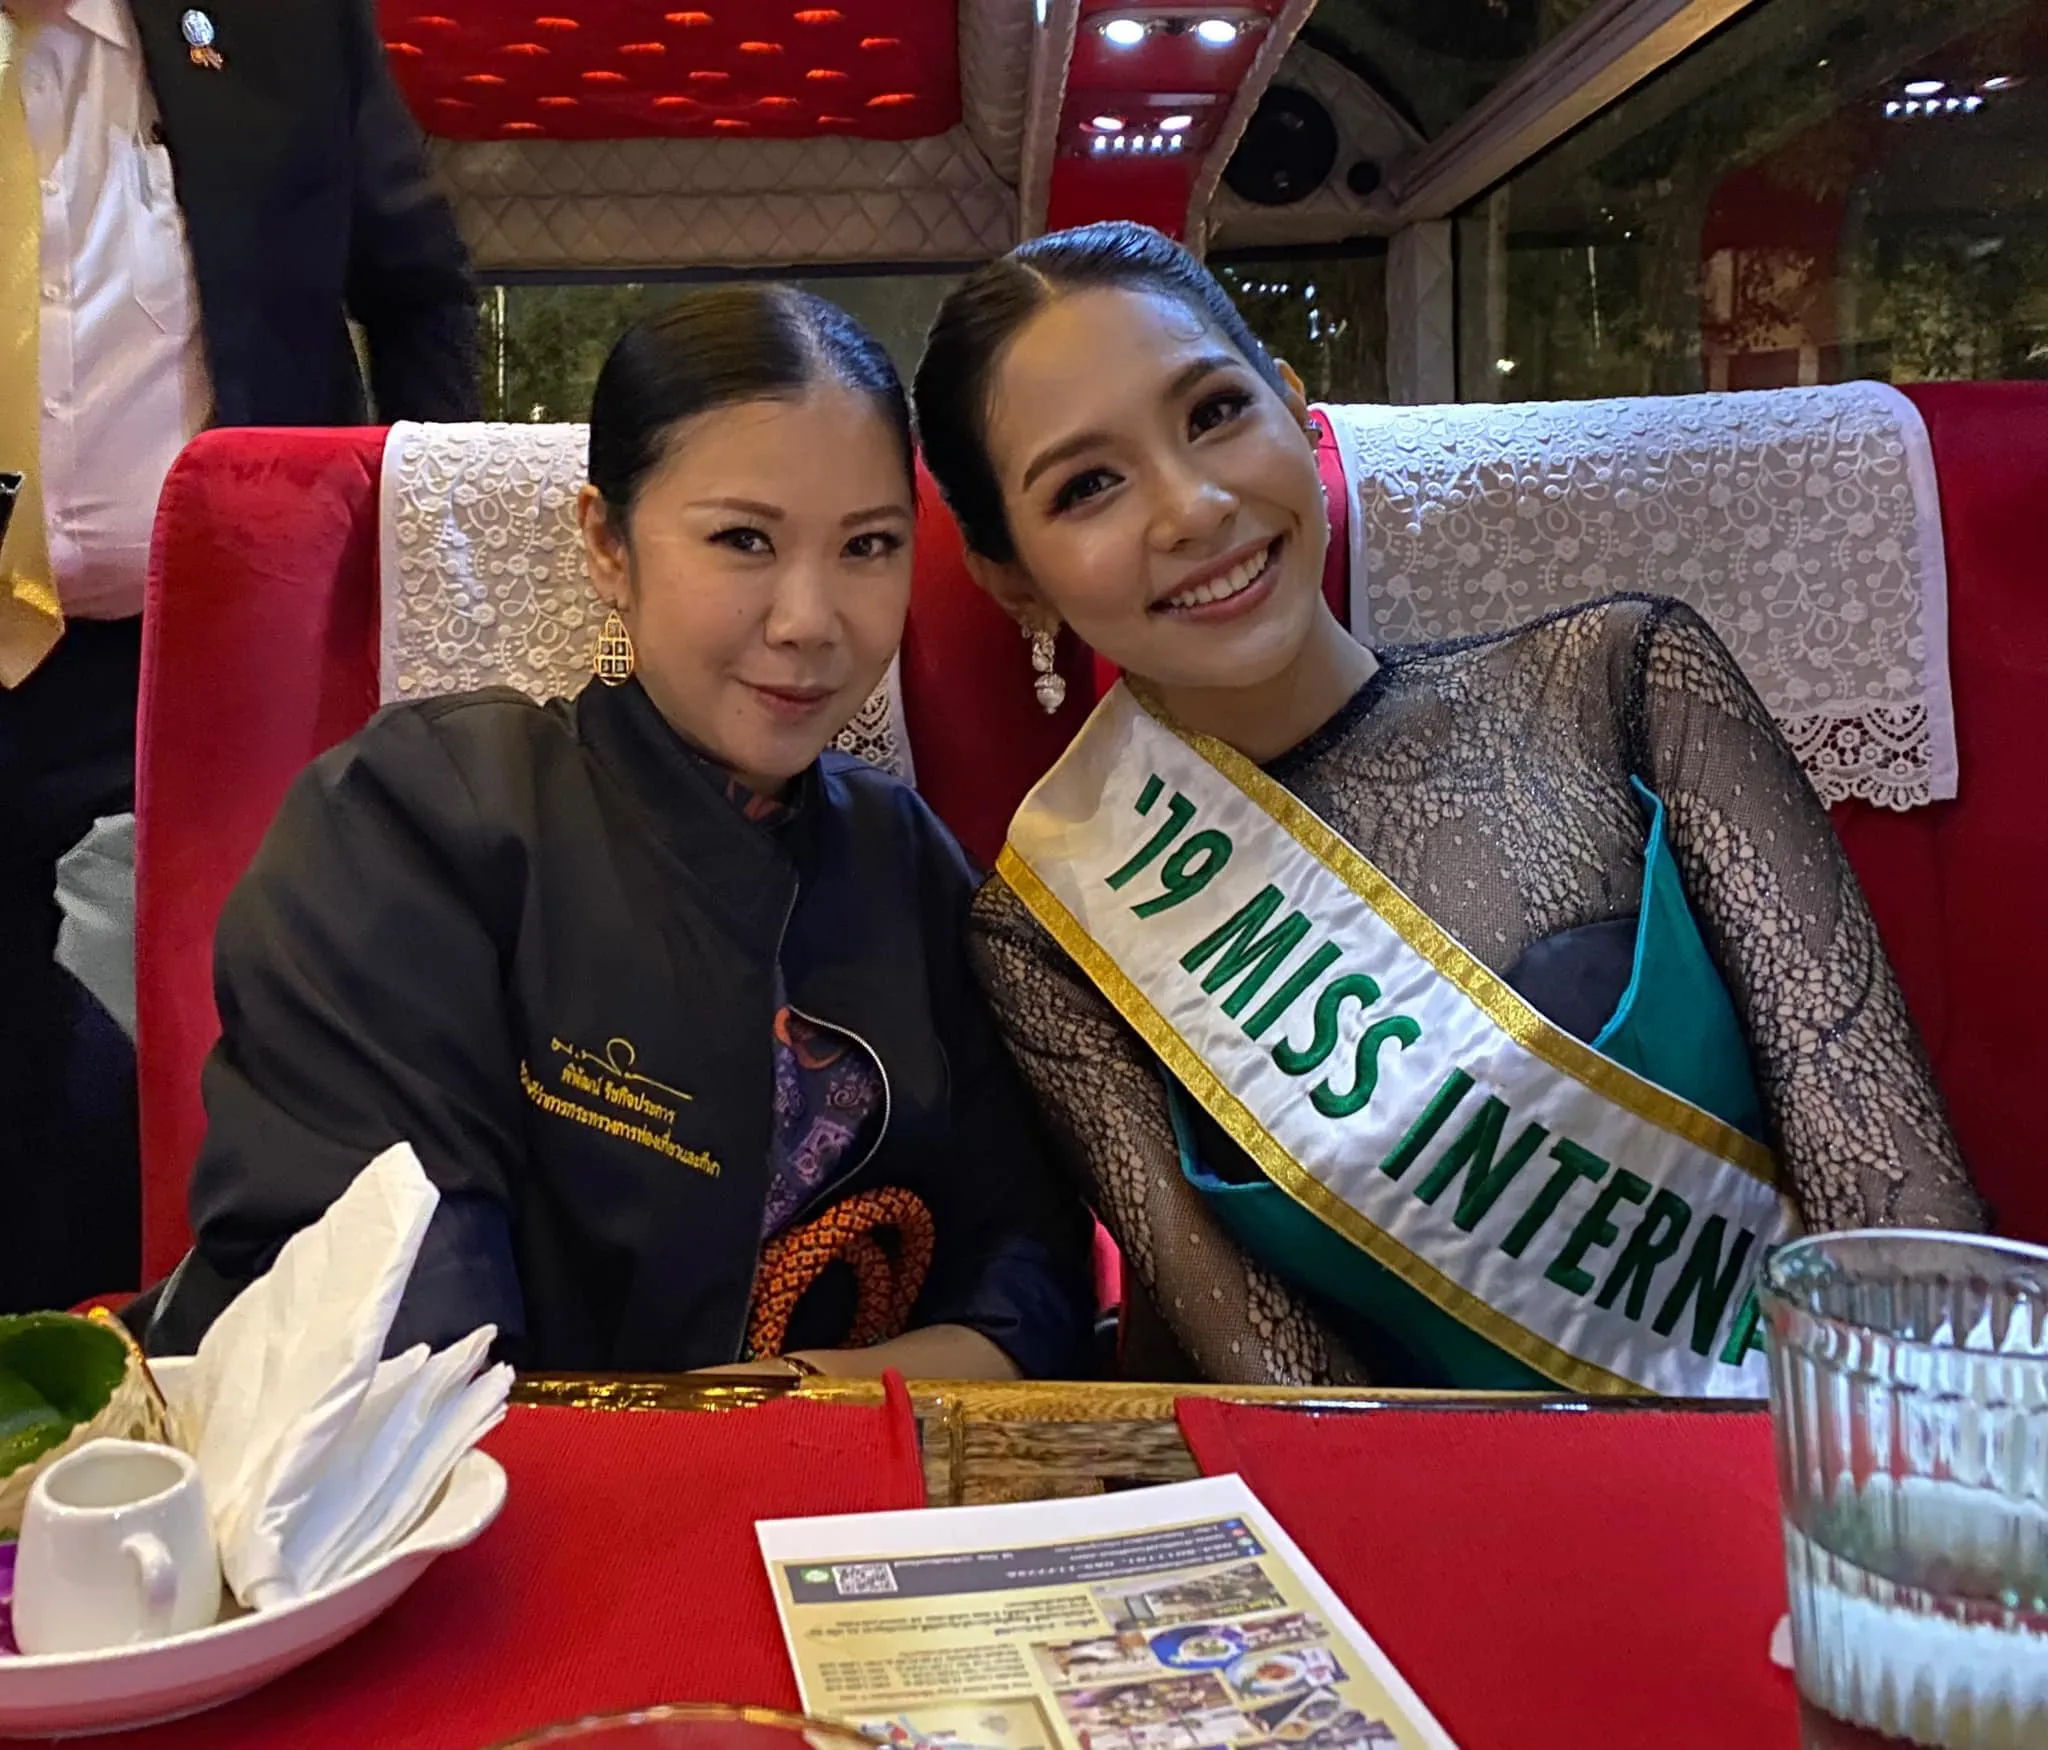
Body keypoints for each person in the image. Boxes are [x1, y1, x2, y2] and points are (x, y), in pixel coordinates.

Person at [911, 221, 1988, 1394]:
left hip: (1819, 1473)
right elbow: (1279, 1378)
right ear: (1012, 574)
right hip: (1422, 1525)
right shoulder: (1049, 926)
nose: (1190, 506)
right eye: (1087, 486)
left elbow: (1898, 1225)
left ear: (1289, 405)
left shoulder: (1625, 686)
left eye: (1214, 411)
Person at [141, 285, 1094, 1380]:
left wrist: (793, 1404)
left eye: (868, 546)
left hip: (825, 1499)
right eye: (743, 539)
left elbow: (1028, 1267)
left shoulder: (907, 860)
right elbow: (388, 1314)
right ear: (606, 544)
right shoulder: (420, 815)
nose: (808, 620)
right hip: (468, 1506)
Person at [0, 0, 479, 1310]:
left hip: (207, 650)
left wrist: (439, 592)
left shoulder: (279, 25)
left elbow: (418, 288)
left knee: (219, 1028)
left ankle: (188, 1366)